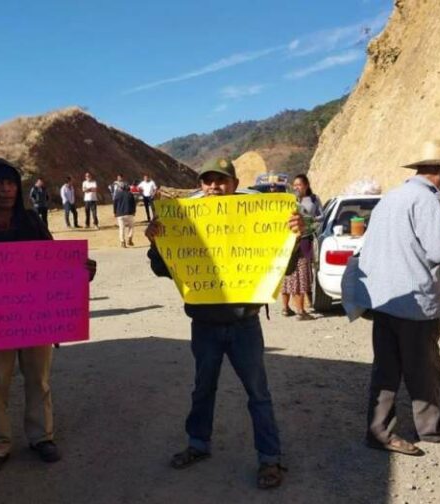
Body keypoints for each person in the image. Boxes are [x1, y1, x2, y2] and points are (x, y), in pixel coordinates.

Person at [145, 157, 304, 490]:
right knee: (203, 388)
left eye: (221, 180)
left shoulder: (259, 216)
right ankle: (198, 444)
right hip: (204, 325)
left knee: (258, 393)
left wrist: (293, 236)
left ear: (234, 184)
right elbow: (162, 269)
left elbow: (285, 267)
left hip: (244, 325)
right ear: (201, 185)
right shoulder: (186, 219)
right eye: (208, 181)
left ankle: (270, 458)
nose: (214, 187)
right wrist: (156, 242)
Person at [0, 159, 96, 478]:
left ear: (18, 188)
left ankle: (41, 437)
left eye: (11, 183)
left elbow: (55, 262)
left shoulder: (31, 221)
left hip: (35, 321)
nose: (6, 189)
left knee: (38, 379)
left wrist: (82, 270)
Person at [358, 139, 440, 456]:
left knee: (385, 370)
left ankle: (379, 432)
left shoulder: (391, 198)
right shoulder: (426, 201)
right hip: (414, 303)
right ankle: (431, 429)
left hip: (385, 299)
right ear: (439, 170)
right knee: (424, 369)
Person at [281, 174, 323, 320]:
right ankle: (291, 309)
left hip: (305, 239)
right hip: (290, 241)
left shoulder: (314, 199)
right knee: (290, 274)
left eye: (299, 184)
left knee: (302, 273)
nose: (296, 187)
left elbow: (321, 216)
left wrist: (311, 220)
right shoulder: (289, 199)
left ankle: (299, 308)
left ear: (306, 185)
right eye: (295, 185)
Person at [113, 181, 136, 247]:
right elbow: (134, 204)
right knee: (131, 226)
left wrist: (115, 212)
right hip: (129, 213)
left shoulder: (117, 195)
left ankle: (122, 241)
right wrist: (134, 211)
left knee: (121, 228)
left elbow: (115, 204)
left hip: (120, 214)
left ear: (120, 188)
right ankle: (130, 238)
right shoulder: (130, 194)